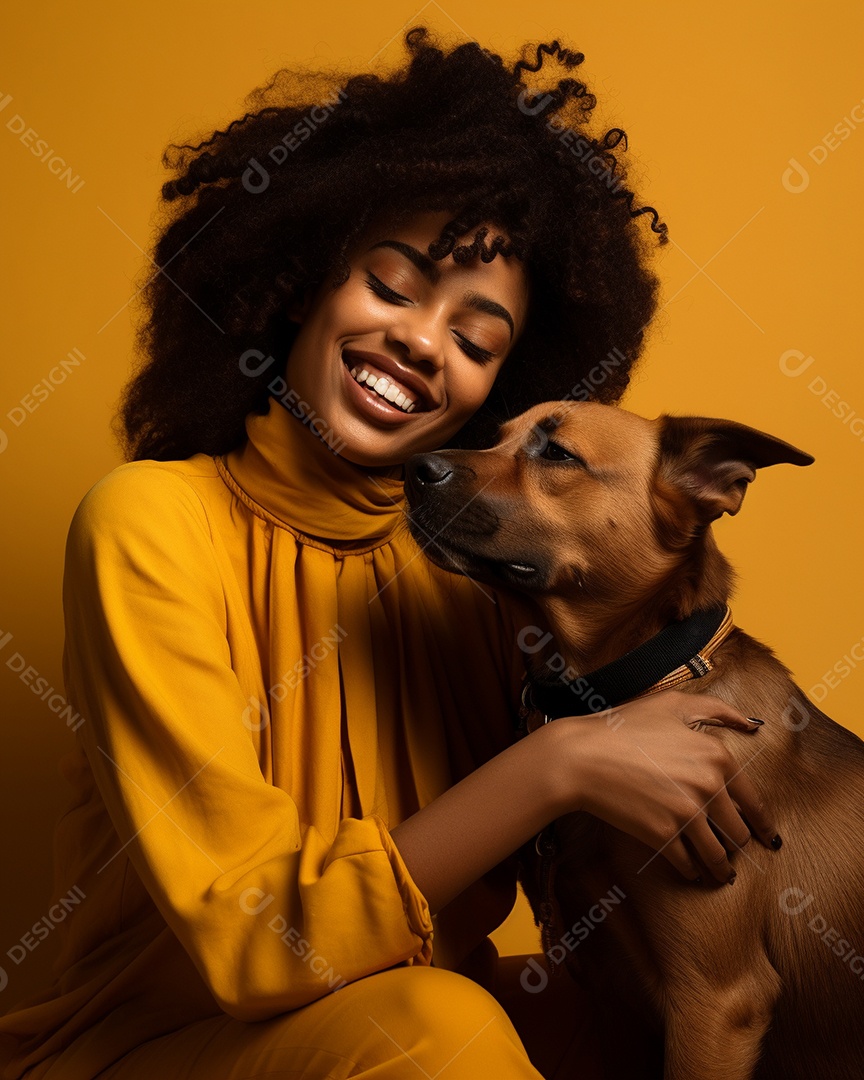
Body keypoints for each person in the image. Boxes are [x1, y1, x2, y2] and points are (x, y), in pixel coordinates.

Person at [0, 28, 779, 1079]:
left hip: (397, 1025)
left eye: (476, 339)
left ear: (501, 393)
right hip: (149, 1051)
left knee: (608, 1022)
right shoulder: (149, 524)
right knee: (442, 1028)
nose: (422, 341)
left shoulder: (477, 590)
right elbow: (252, 945)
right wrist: (558, 765)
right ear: (302, 282)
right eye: (395, 284)